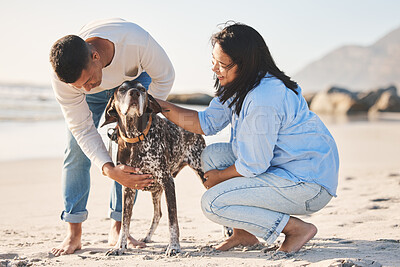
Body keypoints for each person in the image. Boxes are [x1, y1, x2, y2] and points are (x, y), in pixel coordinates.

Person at [156, 22, 339, 253]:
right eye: (213, 60)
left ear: (245, 64)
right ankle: (244, 234)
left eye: (222, 64)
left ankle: (295, 229)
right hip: (284, 167)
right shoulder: (240, 85)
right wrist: (161, 106)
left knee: (212, 203)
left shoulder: (263, 98)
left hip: (308, 185)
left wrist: (219, 177)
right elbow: (207, 123)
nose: (215, 68)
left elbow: (254, 164)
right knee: (211, 155)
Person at [49, 18, 175, 256]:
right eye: (79, 87)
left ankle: (119, 227)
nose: (85, 89)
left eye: (86, 81)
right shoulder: (65, 77)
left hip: (136, 81)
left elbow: (166, 76)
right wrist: (108, 168)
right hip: (101, 87)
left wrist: (141, 119)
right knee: (75, 150)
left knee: (134, 146)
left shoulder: (137, 42)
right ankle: (74, 233)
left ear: (95, 56)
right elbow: (82, 129)